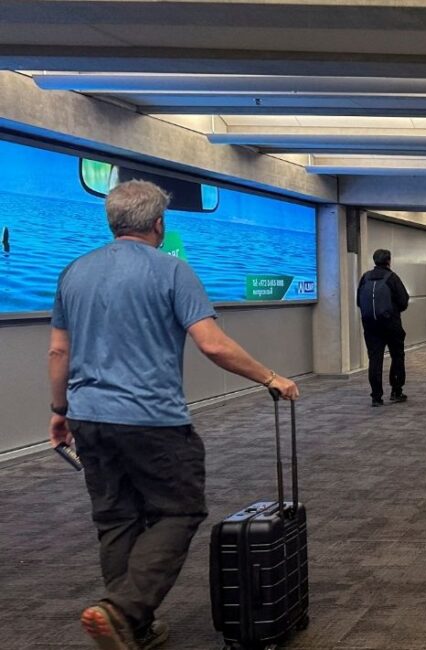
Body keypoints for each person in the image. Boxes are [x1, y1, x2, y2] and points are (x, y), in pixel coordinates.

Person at [47, 180, 300, 650]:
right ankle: (122, 611)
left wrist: (59, 410)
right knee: (180, 509)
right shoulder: (171, 271)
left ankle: (134, 632)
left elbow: (59, 351)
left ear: (113, 221)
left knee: (116, 518)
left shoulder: (73, 272)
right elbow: (212, 343)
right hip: (151, 419)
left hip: (87, 417)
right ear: (159, 224)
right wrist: (270, 378)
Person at [356, 249, 410, 406]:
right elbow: (403, 301)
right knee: (397, 356)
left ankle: (376, 397)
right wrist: (392, 312)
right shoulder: (392, 277)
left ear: (374, 260)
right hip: (391, 323)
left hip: (370, 325)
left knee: (375, 359)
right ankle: (396, 390)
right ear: (389, 261)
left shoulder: (365, 278)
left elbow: (359, 302)